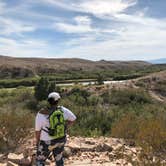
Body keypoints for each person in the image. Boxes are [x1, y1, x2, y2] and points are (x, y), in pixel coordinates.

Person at [35, 92, 76, 166]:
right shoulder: (63, 110)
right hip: (61, 138)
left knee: (40, 160)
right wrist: (65, 127)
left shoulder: (41, 113)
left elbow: (37, 130)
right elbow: (73, 118)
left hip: (46, 141)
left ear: (48, 101)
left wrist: (37, 142)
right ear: (58, 101)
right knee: (59, 159)